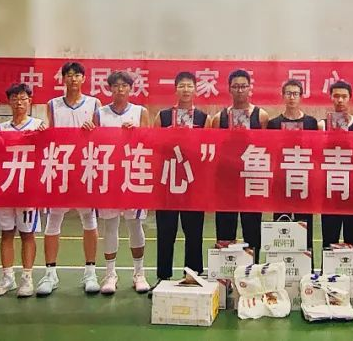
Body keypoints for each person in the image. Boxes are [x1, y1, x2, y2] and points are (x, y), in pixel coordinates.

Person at [37, 61, 103, 297]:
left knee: (89, 219)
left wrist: (93, 129)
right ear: (63, 79)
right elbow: (48, 131)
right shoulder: (53, 105)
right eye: (69, 75)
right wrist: (43, 130)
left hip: (85, 167)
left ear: (84, 78)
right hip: (60, 168)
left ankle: (90, 272)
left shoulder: (95, 103)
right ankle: (50, 274)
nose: (73, 79)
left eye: (77, 75)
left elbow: (102, 135)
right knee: (53, 219)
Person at [94, 71, 152, 294]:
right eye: (116, 85)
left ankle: (139, 273)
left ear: (130, 88)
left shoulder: (140, 112)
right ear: (109, 88)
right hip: (109, 174)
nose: (120, 89)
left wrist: (136, 133)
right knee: (110, 225)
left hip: (133, 173)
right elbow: (93, 141)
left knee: (135, 224)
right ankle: (110, 274)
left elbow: (149, 141)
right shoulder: (100, 113)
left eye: (124, 85)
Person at [207, 69, 269, 258]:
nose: (240, 90)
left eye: (243, 86)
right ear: (229, 89)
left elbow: (267, 146)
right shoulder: (219, 118)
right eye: (236, 86)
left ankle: (254, 268)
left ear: (250, 88)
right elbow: (216, 149)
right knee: (225, 228)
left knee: (252, 228)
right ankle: (226, 268)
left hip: (252, 178)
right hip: (227, 180)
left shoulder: (261, 116)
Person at [0, 82, 43, 298]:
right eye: (14, 99)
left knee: (27, 233)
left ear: (30, 101)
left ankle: (27, 278)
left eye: (23, 98)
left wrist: (44, 136)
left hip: (28, 188)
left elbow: (46, 154)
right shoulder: (0, 129)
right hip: (6, 187)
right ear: (9, 102)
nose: (19, 102)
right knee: (7, 233)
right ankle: (7, 277)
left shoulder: (39, 125)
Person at [154, 72, 209, 283]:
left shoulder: (204, 118)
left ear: (195, 89)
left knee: (193, 232)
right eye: (182, 86)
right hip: (168, 182)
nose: (186, 89)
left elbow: (207, 149)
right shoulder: (163, 116)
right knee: (166, 231)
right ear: (175, 89)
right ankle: (163, 277)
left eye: (189, 86)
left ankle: (192, 276)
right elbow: (154, 146)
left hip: (193, 182)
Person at [267, 79, 318, 252]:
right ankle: (279, 263)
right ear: (283, 96)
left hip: (304, 182)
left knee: (305, 227)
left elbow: (316, 151)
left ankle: (307, 264)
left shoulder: (311, 123)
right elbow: (270, 152)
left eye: (295, 93)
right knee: (281, 227)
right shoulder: (273, 124)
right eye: (288, 93)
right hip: (281, 182)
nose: (292, 97)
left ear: (301, 96)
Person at [318, 80, 353, 251]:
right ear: (331, 97)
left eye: (344, 96)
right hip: (330, 189)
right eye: (336, 96)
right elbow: (318, 155)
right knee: (329, 240)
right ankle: (327, 269)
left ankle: (352, 269)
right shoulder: (322, 125)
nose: (340, 100)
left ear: (350, 98)